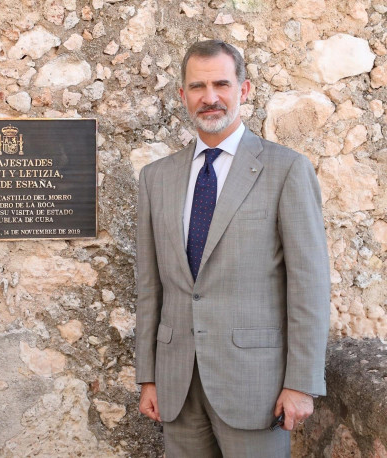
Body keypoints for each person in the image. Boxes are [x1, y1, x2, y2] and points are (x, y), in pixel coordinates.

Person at [135, 40, 330, 457]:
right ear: (182, 95)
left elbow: (308, 286)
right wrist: (148, 375)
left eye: (221, 84)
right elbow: (151, 287)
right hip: (177, 386)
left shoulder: (286, 170)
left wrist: (301, 383)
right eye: (197, 87)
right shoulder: (156, 178)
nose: (209, 98)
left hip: (255, 387)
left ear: (243, 90)